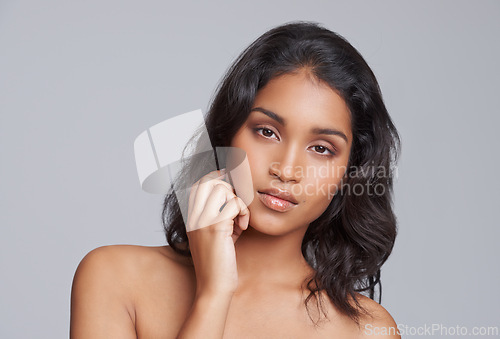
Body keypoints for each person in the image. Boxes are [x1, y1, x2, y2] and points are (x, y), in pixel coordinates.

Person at [70, 21, 402, 338]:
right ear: (227, 133)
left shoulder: (366, 330)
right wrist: (213, 295)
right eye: (267, 132)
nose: (286, 170)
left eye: (321, 148)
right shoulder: (114, 278)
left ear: (350, 169)